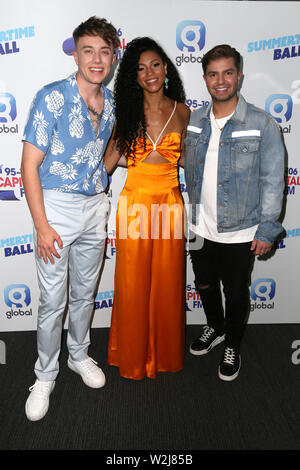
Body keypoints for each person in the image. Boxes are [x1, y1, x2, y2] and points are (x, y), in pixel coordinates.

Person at [21, 16, 118, 420]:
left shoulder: (111, 102)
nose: (97, 59)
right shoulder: (52, 97)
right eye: (88, 50)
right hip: (55, 209)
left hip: (95, 206)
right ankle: (45, 374)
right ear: (75, 54)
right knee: (52, 301)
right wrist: (42, 226)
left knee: (84, 292)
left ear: (113, 57)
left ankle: (79, 355)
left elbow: (105, 158)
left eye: (104, 51)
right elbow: (29, 167)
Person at [184, 44, 285, 381]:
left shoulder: (261, 122)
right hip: (200, 226)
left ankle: (234, 342)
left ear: (239, 75)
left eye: (228, 72)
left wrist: (267, 229)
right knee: (205, 285)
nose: (221, 80)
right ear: (205, 79)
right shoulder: (195, 121)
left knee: (237, 291)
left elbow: (273, 180)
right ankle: (214, 326)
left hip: (241, 230)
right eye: (213, 74)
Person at [104, 37, 190, 380]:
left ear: (165, 68)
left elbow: (188, 161)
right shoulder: (125, 111)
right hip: (136, 203)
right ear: (133, 76)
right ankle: (133, 356)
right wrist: (132, 157)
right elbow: (108, 164)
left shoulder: (183, 111)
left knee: (168, 282)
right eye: (140, 68)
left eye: (155, 64)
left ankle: (164, 355)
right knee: (132, 281)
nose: (149, 73)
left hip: (171, 204)